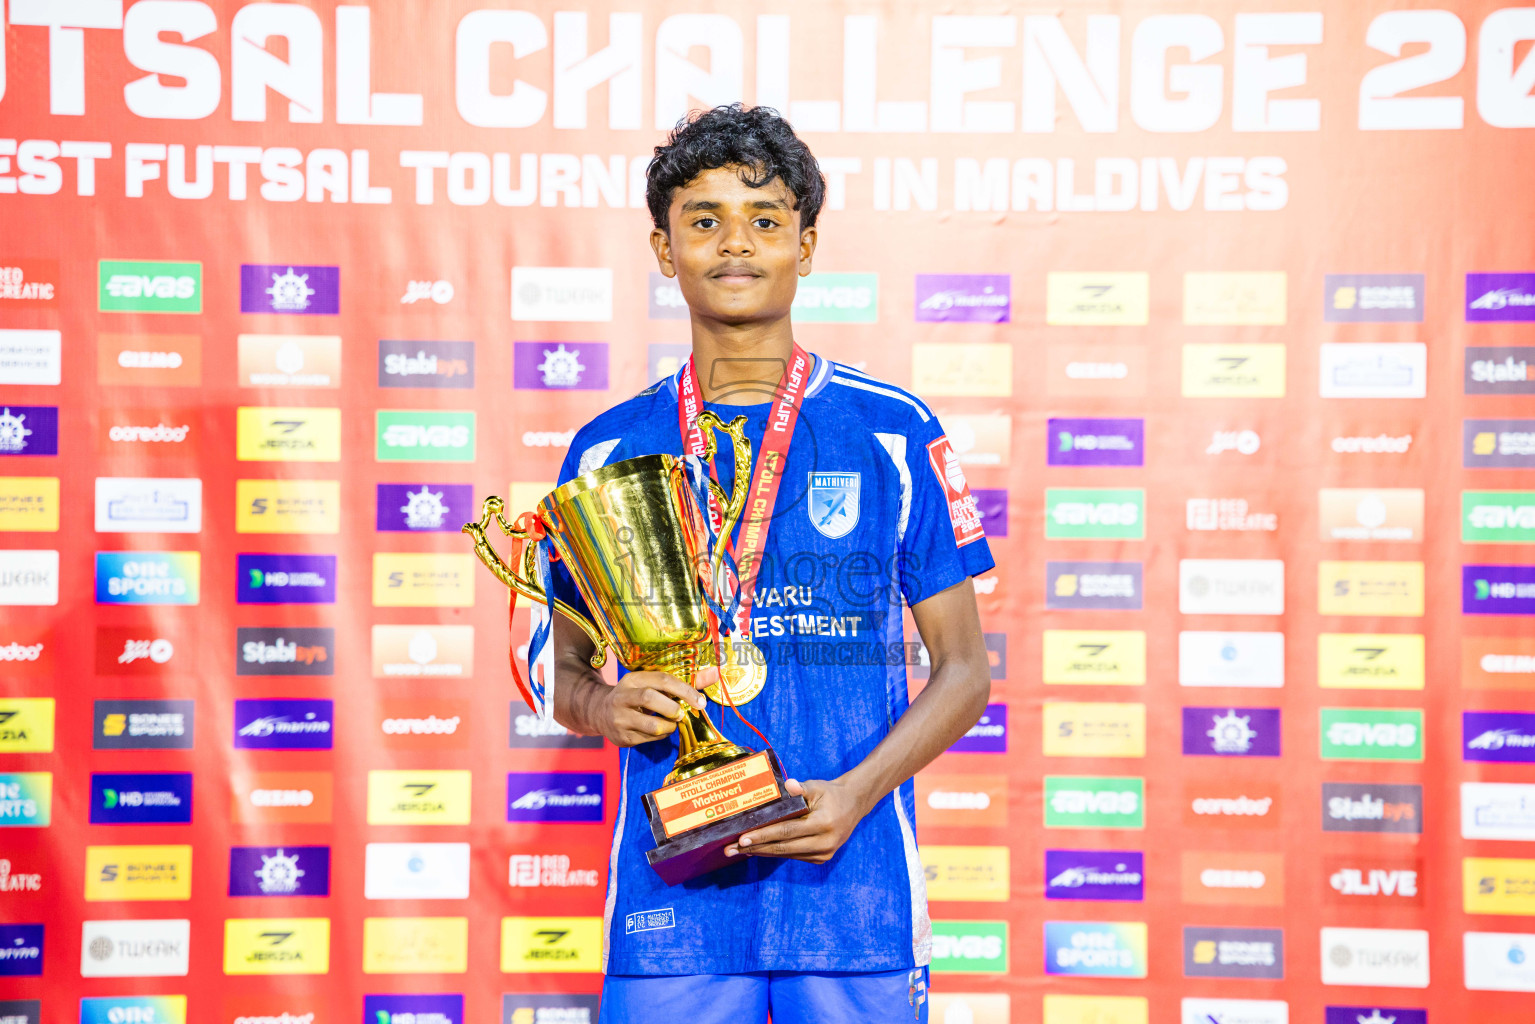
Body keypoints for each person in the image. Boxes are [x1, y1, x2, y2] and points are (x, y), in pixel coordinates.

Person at [547, 103, 994, 1024]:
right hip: (671, 907)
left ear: (808, 243)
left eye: (765, 220)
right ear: (664, 250)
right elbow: (564, 670)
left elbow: (964, 673)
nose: (734, 244)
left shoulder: (893, 432)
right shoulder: (606, 450)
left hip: (854, 899)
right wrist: (604, 702)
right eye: (703, 220)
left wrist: (856, 795)